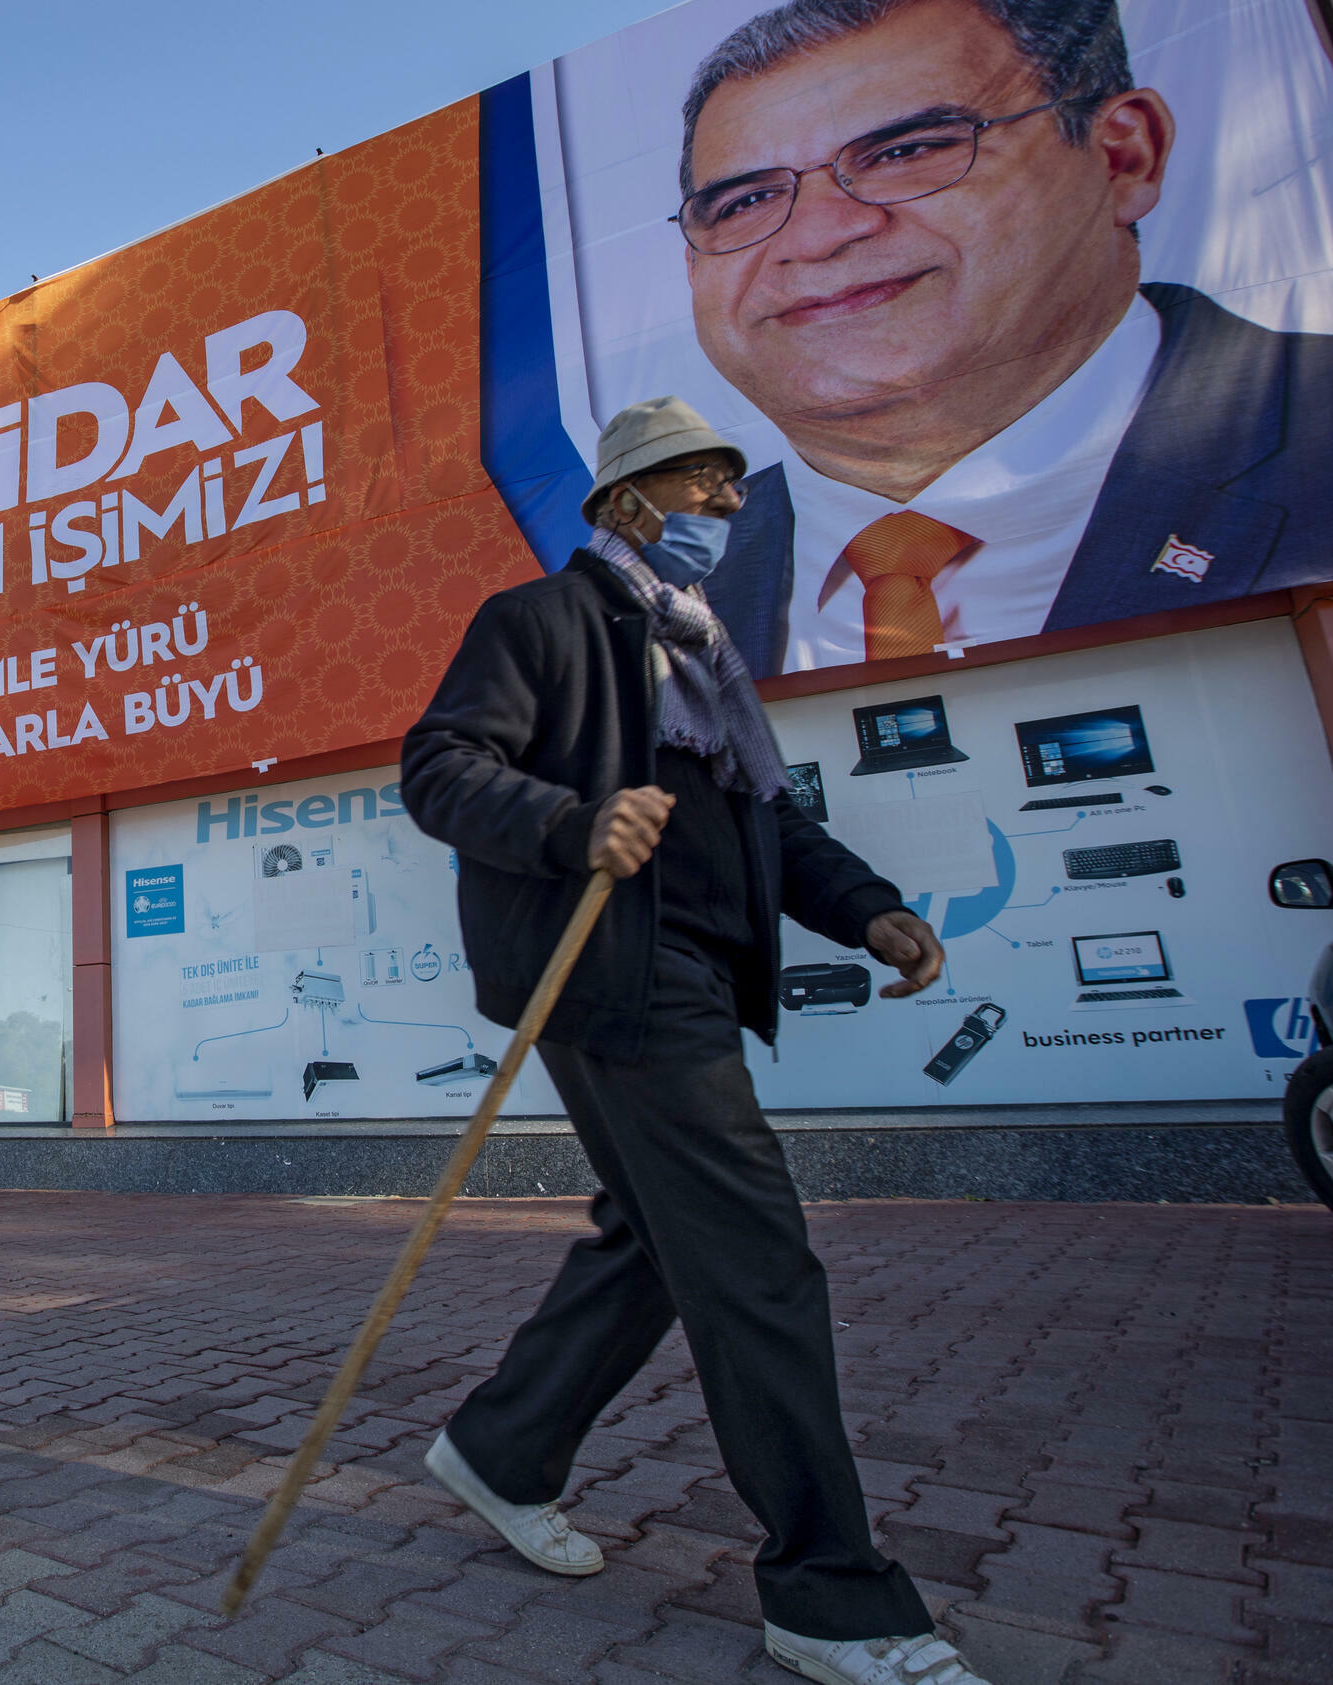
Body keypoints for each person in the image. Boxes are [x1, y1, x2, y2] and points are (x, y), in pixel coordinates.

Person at [401, 395, 987, 1685]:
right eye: (701, 488)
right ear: (624, 503)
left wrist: (869, 908)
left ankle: (503, 1447)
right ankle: (834, 1599)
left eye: (731, 488)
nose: (724, 508)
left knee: (661, 1236)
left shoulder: (705, 655)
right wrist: (571, 822)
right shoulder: (542, 622)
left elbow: (764, 825)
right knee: (753, 1252)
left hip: (695, 975)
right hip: (613, 972)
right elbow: (439, 766)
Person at [664, 0, 1333, 676]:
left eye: (906, 152)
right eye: (743, 202)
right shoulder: (668, 581)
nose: (818, 237)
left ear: (1123, 155)